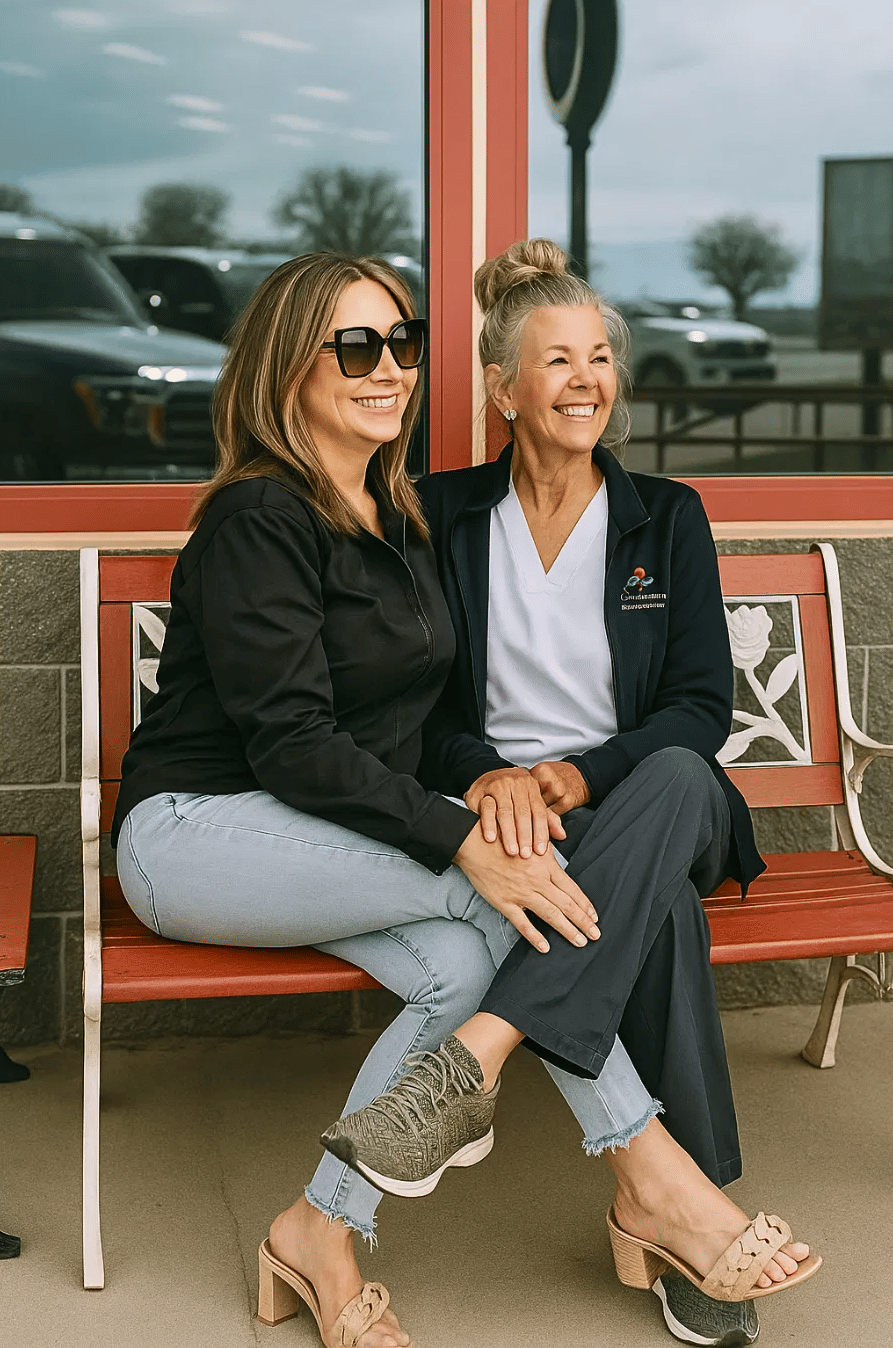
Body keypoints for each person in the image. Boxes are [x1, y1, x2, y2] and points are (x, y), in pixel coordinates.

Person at [112, 250, 687, 1348]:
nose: (389, 368)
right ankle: (656, 1181)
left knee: (469, 970)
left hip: (319, 833)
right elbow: (289, 741)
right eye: (357, 345)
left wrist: (488, 786)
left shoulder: (394, 517)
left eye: (403, 342)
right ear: (290, 368)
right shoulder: (257, 520)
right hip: (193, 833)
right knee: (505, 900)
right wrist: (462, 839)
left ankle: (317, 1227)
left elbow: (409, 727)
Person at [319, 240, 821, 1342]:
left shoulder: (664, 517)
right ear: (502, 389)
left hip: (647, 798)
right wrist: (488, 775)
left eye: (600, 357)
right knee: (657, 913)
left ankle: (474, 1058)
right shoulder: (440, 515)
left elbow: (698, 710)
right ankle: (681, 1209)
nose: (586, 378)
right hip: (503, 817)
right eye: (555, 360)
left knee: (676, 778)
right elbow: (424, 707)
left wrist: (574, 772)